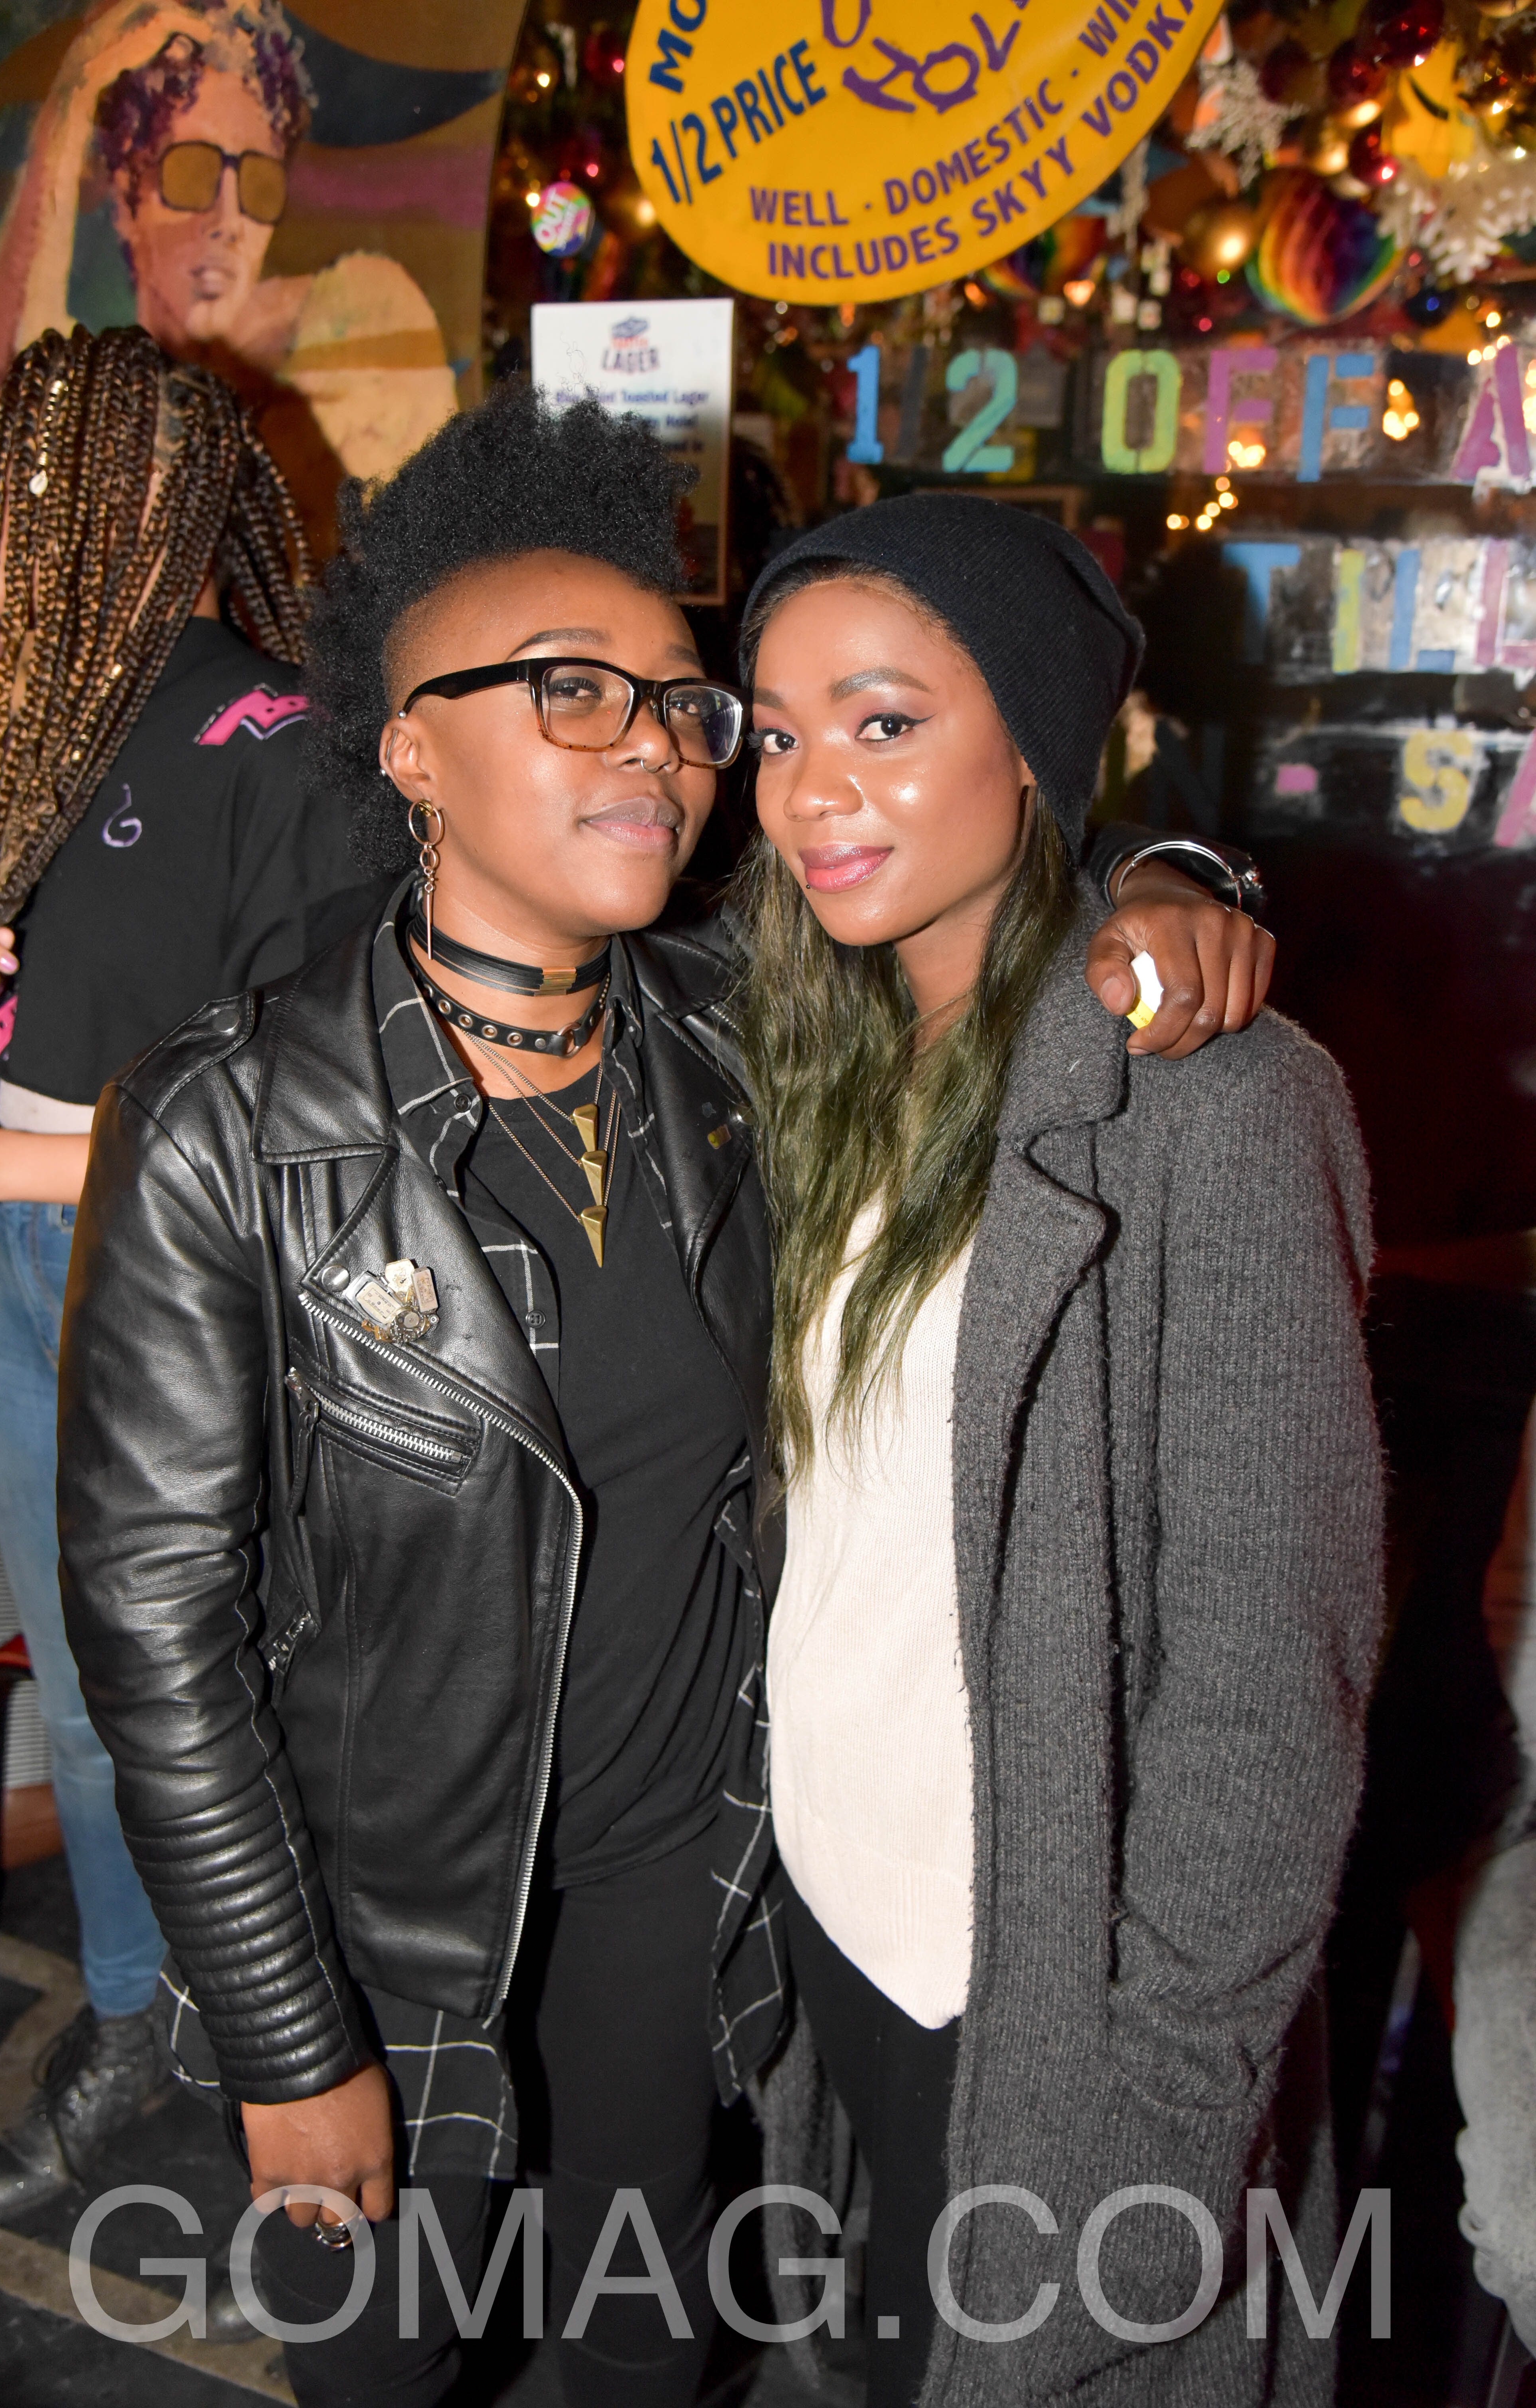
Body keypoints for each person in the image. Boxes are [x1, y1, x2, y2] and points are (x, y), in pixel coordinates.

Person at [54, 382, 1270, 2407]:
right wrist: (285, 2031)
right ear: (408, 746)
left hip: (673, 1889)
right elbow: (155, 1633)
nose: (657, 746)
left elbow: (973, 879)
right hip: (375, 1940)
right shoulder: (227, 1126)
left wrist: (1170, 869)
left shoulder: (737, 1036)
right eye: (569, 690)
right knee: (383, 2367)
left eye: (687, 708)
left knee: (642, 2345)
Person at [739, 499, 1387, 2405]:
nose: (809, 790)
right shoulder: (811, 1050)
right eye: (774, 732)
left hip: (1043, 1991)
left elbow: (1271, 1672)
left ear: (1026, 738)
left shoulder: (1211, 1103)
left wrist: (1163, 2111)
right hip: (830, 1913)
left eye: (881, 722)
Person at [0, 321, 384, 2225]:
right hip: (43, 1272)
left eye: (17, 502)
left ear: (135, 509)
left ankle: (286, 2039)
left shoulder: (280, 745)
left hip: (200, 1308)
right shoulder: (54, 734)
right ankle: (138, 2014)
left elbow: (322, 1130)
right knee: (97, 1710)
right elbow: (57, 1028)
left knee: (219, 1696)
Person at [0, 0, 457, 554]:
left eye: (259, 184)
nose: (228, 221)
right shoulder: (98, 397)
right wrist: (70, 111)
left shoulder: (354, 326)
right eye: (193, 174)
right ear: (127, 196)